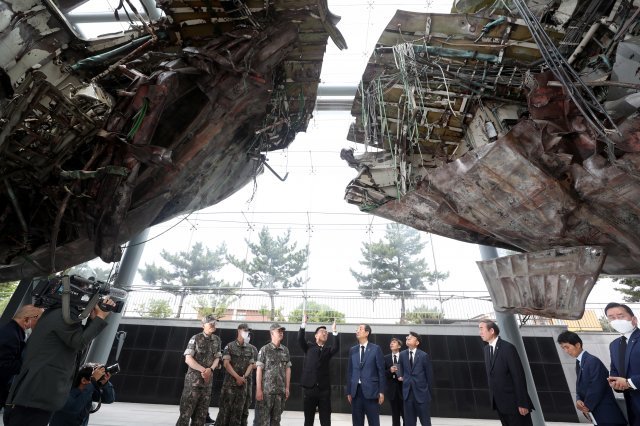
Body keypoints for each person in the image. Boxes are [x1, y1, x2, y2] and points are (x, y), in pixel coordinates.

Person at [3, 298, 115, 426]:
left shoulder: (53, 315)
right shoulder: (62, 315)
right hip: (36, 398)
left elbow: (77, 349)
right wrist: (100, 317)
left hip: (35, 399)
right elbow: (78, 343)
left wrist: (92, 320)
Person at [556, 330, 627, 425]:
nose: (565, 351)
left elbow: (597, 387)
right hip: (596, 412)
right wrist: (578, 399)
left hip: (606, 414)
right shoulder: (579, 363)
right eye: (563, 348)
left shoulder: (592, 361)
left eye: (567, 347)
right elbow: (579, 385)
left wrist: (586, 406)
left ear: (577, 345)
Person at [478, 319, 534, 426]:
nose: (480, 333)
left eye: (482, 329)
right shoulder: (486, 350)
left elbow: (518, 376)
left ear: (492, 331)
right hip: (500, 404)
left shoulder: (508, 348)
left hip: (515, 404)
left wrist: (523, 403)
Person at [176, 314, 222, 426]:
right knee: (185, 415)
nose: (213, 324)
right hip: (193, 383)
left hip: (207, 384)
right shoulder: (196, 338)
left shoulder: (217, 340)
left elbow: (217, 358)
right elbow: (188, 359)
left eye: (214, 322)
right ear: (203, 325)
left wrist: (210, 370)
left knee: (201, 417)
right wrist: (203, 370)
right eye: (210, 323)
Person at [298, 314, 340, 426]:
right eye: (322, 331)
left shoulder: (328, 350)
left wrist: (334, 331)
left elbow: (336, 347)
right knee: (308, 420)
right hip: (310, 388)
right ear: (316, 335)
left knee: (326, 420)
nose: (325, 333)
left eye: (326, 332)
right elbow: (300, 339)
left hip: (324, 390)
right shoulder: (309, 347)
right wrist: (303, 323)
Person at [0, 304, 44, 407]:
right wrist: (26, 364)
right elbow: (4, 364)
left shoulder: (12, 330)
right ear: (27, 319)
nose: (40, 324)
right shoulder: (11, 335)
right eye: (38, 320)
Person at [216, 323, 258, 426]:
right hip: (230, 385)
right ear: (239, 331)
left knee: (238, 413)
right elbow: (226, 363)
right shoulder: (230, 346)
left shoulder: (250, 348)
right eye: (245, 331)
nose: (247, 333)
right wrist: (237, 377)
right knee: (225, 412)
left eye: (248, 331)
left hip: (243, 385)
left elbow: (251, 364)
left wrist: (243, 377)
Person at [605, 302, 640, 425]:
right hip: (632, 408)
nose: (617, 320)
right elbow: (614, 369)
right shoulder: (614, 345)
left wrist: (629, 383)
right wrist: (615, 383)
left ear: (634, 319)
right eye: (612, 318)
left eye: (621, 316)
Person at [49, 362, 116, 426]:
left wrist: (105, 383)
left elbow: (109, 399)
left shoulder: (89, 392)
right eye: (94, 379)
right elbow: (74, 409)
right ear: (83, 380)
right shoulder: (66, 393)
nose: (96, 382)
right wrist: (93, 382)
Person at [346, 323, 385, 426]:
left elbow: (381, 371)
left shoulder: (376, 349)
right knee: (357, 423)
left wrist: (381, 391)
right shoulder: (352, 350)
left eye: (360, 329)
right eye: (357, 329)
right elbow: (350, 371)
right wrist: (349, 391)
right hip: (356, 392)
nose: (357, 331)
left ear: (367, 333)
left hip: (372, 392)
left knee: (374, 422)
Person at [255, 323, 291, 426]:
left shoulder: (285, 350)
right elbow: (259, 370)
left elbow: (288, 369)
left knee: (276, 421)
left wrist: (287, 388)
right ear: (272, 333)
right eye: (278, 331)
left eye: (282, 331)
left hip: (280, 392)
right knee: (264, 422)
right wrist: (258, 390)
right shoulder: (264, 349)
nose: (281, 333)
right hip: (266, 392)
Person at [396, 332, 433, 426]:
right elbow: (398, 366)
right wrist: (399, 375)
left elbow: (429, 376)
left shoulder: (424, 355)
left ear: (417, 342)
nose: (408, 338)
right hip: (407, 393)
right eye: (407, 337)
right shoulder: (402, 354)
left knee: (425, 421)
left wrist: (429, 393)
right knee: (409, 422)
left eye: (411, 337)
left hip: (422, 393)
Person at [384, 337, 404, 426]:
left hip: (404, 390)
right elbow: (382, 373)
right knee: (395, 416)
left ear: (399, 346)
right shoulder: (386, 358)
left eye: (394, 342)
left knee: (406, 415)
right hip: (392, 391)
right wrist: (390, 371)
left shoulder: (405, 356)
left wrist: (404, 377)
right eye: (391, 342)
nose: (391, 344)